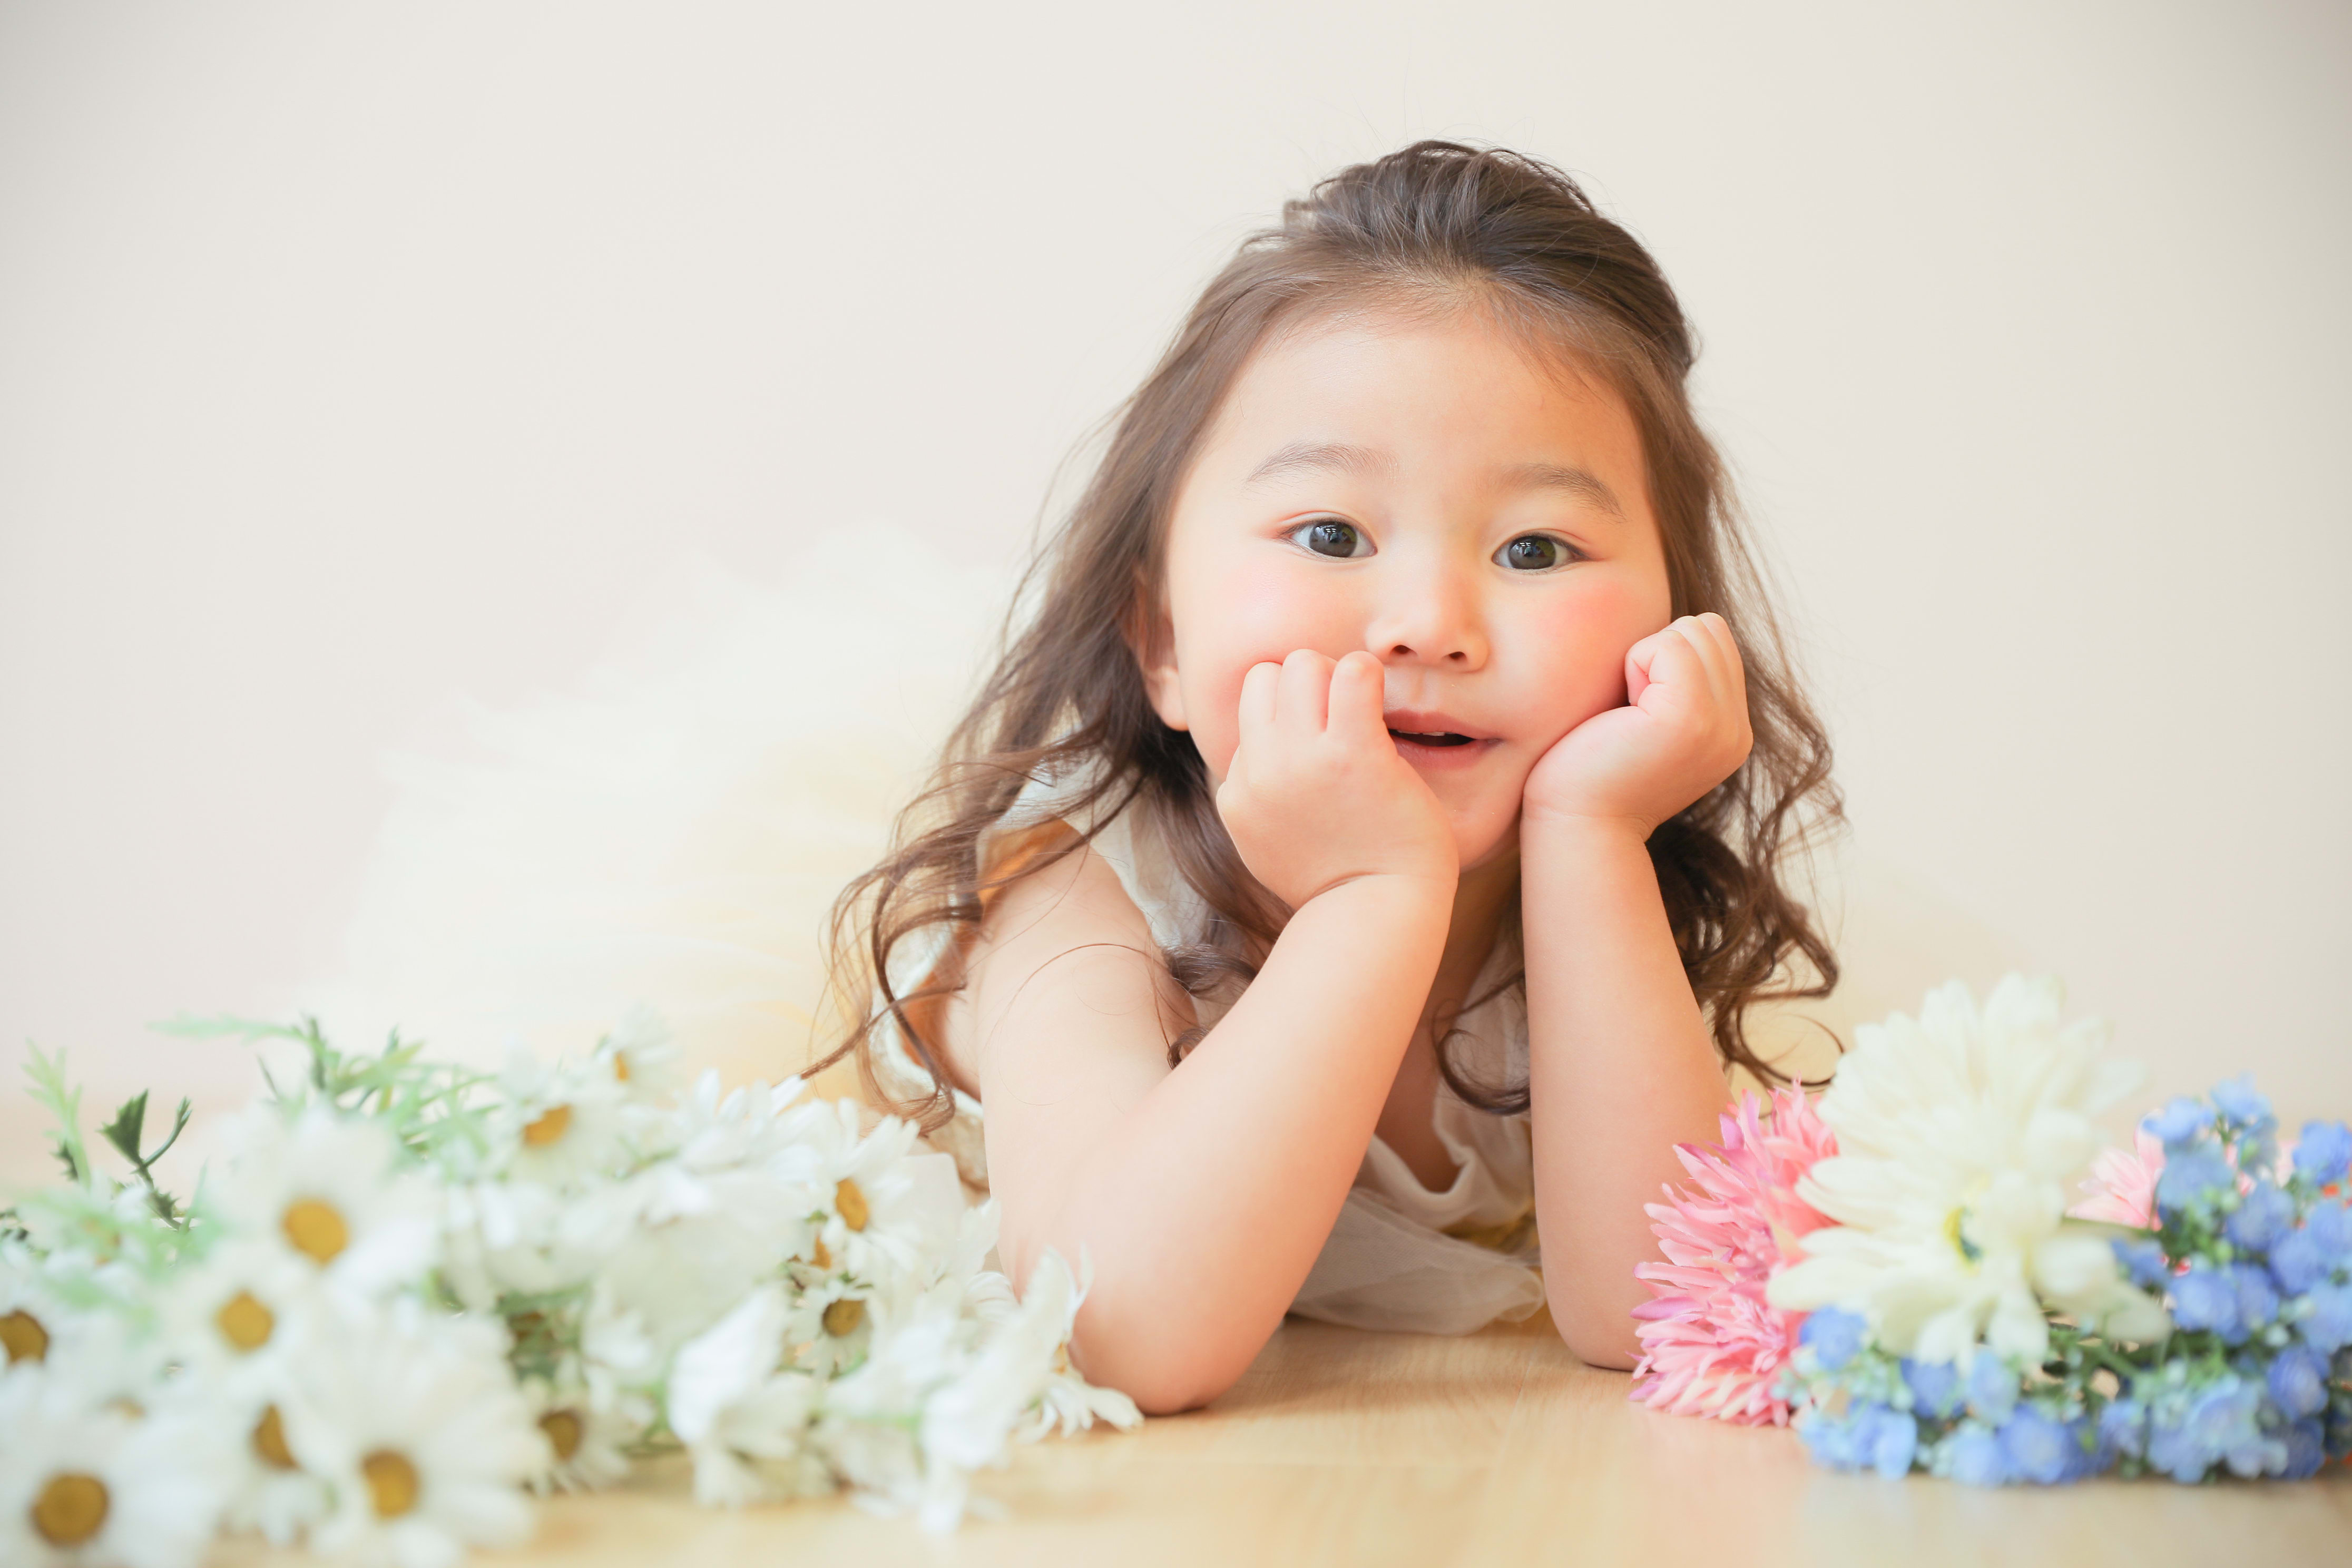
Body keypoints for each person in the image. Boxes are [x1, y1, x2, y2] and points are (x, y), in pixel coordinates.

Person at [819, 141, 1840, 1415]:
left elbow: (1664, 1315)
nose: (1430, 625)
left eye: (1536, 548)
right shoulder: (1076, 893)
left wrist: (1589, 835)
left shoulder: (1593, 878)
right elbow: (1116, 1334)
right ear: (1163, 640)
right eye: (1330, 533)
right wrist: (1371, 898)